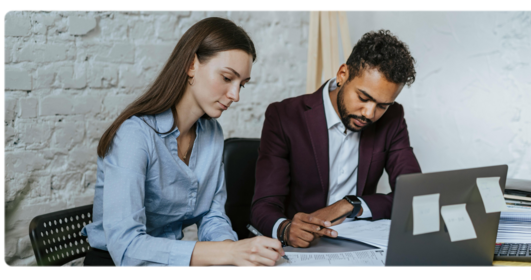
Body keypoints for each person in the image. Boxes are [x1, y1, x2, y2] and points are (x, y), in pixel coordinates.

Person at [82, 17, 285, 269]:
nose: (235, 95)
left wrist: (235, 253)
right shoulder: (134, 136)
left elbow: (212, 215)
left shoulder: (212, 133)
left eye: (241, 84)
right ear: (191, 65)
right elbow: (128, 249)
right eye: (226, 78)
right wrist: (229, 252)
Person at [251, 30, 422, 248]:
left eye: (382, 105)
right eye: (363, 97)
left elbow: (413, 194)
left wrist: (352, 204)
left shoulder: (393, 118)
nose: (369, 113)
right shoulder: (285, 116)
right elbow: (263, 205)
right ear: (343, 74)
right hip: (301, 247)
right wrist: (285, 229)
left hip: (360, 244)